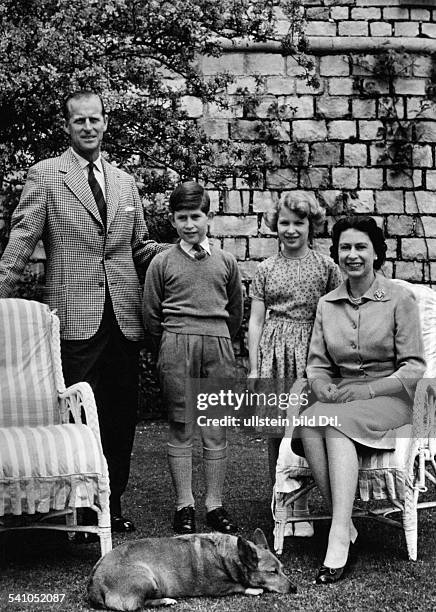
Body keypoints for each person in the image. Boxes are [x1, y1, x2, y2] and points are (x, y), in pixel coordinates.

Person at [0, 90, 169, 533]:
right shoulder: (47, 176)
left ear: (106, 122)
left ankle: (112, 504)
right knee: (76, 416)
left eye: (95, 119)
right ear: (67, 126)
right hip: (74, 317)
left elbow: (140, 247)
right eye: (80, 121)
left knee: (119, 414)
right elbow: (21, 245)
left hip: (125, 319)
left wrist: (181, 254)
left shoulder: (124, 181)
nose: (88, 127)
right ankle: (77, 508)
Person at [293, 216, 426, 584]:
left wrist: (368, 390)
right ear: (336, 254)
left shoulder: (400, 298)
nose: (352, 255)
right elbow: (317, 365)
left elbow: (414, 367)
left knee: (333, 422)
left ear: (376, 253)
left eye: (360, 247)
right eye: (345, 248)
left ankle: (338, 537)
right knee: (310, 419)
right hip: (343, 397)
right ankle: (346, 523)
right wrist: (320, 387)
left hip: (393, 398)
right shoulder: (327, 304)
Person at [143, 181, 243, 535]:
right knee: (182, 425)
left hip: (216, 344)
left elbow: (235, 312)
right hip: (176, 344)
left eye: (196, 216)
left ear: (209, 217)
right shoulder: (162, 261)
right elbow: (151, 313)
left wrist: (219, 340)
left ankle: (215, 505)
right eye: (182, 217)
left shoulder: (226, 262)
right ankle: (183, 505)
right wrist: (170, 344)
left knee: (214, 427)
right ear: (173, 220)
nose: (189, 224)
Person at [248, 192, 342, 537]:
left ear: (311, 225)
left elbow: (336, 313)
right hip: (275, 350)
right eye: (284, 223)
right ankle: (280, 502)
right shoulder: (265, 269)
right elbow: (256, 321)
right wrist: (255, 367)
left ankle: (302, 503)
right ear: (276, 225)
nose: (291, 230)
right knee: (276, 429)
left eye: (298, 223)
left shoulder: (325, 268)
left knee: (306, 427)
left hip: (312, 351)